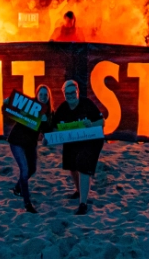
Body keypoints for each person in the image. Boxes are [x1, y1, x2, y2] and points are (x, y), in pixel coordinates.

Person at [48, 80, 105, 215]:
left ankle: (83, 203)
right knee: (71, 166)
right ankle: (79, 191)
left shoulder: (87, 104)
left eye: (73, 92)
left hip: (91, 140)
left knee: (82, 164)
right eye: (67, 94)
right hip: (72, 141)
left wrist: (91, 124)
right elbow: (54, 129)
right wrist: (50, 137)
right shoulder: (62, 109)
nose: (70, 96)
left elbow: (102, 122)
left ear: (77, 92)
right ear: (64, 95)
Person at [7, 85, 52, 213]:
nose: (43, 97)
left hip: (30, 143)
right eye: (41, 94)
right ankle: (27, 203)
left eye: (45, 95)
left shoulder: (48, 112)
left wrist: (46, 131)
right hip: (17, 140)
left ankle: (17, 188)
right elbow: (15, 110)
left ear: (49, 97)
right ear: (36, 95)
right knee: (25, 170)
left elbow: (47, 130)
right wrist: (8, 102)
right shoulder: (29, 105)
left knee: (32, 169)